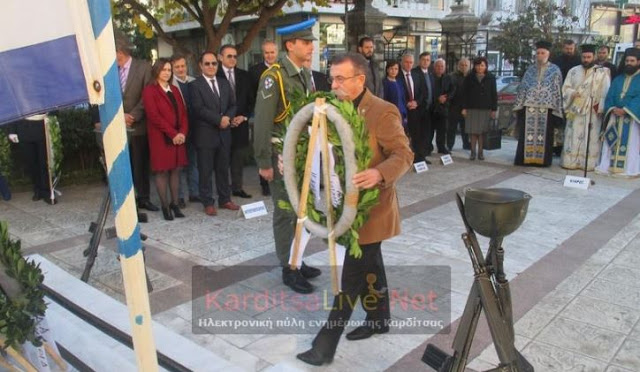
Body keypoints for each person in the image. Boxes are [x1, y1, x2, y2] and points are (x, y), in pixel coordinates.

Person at [296, 52, 413, 366]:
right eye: (331, 78)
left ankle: (323, 347)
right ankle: (379, 318)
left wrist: (380, 173)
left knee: (350, 278)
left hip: (371, 210)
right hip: (341, 204)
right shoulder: (332, 109)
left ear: (360, 79)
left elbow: (403, 154)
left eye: (339, 79)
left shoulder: (382, 111)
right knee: (371, 264)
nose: (332, 85)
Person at [253, 20, 321, 294]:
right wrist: (263, 162)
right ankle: (288, 267)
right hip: (280, 156)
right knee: (285, 213)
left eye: (311, 42)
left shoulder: (303, 74)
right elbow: (262, 122)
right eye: (306, 43)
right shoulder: (274, 77)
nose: (311, 47)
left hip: (301, 153)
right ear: (290, 45)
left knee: (301, 210)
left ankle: (298, 258)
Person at [189, 51, 240, 216]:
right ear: (201, 66)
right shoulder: (195, 85)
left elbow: (233, 105)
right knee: (205, 170)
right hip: (205, 135)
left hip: (224, 134)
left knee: (223, 169)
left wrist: (227, 118)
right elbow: (198, 109)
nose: (211, 66)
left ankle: (225, 199)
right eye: (207, 64)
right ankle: (208, 202)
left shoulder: (224, 83)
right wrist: (219, 120)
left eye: (214, 63)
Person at [142, 58, 189, 220]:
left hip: (178, 138)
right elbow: (154, 116)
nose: (167, 73)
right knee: (162, 171)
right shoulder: (150, 90)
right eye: (164, 70)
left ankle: (175, 204)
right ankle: (165, 206)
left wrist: (182, 132)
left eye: (169, 70)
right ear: (157, 71)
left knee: (176, 170)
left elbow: (183, 113)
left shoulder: (175, 90)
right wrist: (173, 133)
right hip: (161, 138)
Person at [115, 36, 157, 212]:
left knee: (140, 164)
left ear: (120, 52)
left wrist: (132, 115)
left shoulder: (144, 67)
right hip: (117, 127)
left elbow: (147, 95)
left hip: (138, 125)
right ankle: (127, 199)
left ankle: (144, 198)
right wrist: (118, 116)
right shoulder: (110, 71)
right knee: (124, 165)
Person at [560, 44, 611, 171]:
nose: (586, 60)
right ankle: (570, 161)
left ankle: (587, 163)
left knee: (591, 136)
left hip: (592, 110)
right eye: (584, 57)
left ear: (593, 57)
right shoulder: (573, 71)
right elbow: (565, 88)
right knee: (572, 134)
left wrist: (600, 108)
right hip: (575, 108)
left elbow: (605, 91)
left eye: (589, 57)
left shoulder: (602, 72)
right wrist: (572, 93)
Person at [513, 41, 563, 167]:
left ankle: (542, 161)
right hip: (529, 107)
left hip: (547, 109)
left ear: (548, 54)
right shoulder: (530, 69)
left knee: (544, 135)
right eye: (538, 53)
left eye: (543, 53)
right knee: (526, 135)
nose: (540, 55)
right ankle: (524, 159)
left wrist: (557, 108)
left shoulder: (555, 70)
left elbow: (557, 90)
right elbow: (523, 87)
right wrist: (519, 104)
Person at [217, 44, 255, 199]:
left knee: (238, 158)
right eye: (229, 56)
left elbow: (251, 100)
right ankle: (223, 190)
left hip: (241, 124)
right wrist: (225, 118)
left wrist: (244, 116)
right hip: (222, 124)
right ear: (220, 58)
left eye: (234, 56)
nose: (233, 59)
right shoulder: (215, 75)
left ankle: (237, 187)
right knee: (222, 159)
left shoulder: (245, 76)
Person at [596, 47, 640, 177]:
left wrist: (626, 110)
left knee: (631, 145)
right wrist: (613, 108)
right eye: (627, 60)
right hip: (614, 117)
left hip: (631, 119)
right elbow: (610, 95)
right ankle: (608, 166)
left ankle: (629, 169)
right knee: (611, 142)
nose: (629, 63)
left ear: (638, 62)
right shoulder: (618, 79)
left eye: (632, 61)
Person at [249, 39, 278, 197]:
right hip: (260, 114)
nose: (269, 55)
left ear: (277, 52)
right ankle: (264, 184)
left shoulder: (281, 70)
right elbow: (252, 93)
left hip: (278, 117)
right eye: (266, 52)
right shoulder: (255, 71)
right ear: (262, 54)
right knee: (262, 145)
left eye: (272, 52)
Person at [7, 114, 55, 204]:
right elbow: (14, 107)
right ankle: (37, 189)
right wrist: (11, 130)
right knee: (31, 163)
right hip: (23, 128)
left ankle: (47, 192)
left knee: (44, 163)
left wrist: (52, 117)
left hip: (42, 126)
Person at [171, 54, 199, 207]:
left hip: (194, 129)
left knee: (193, 162)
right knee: (179, 165)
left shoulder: (194, 82)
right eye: (177, 67)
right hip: (179, 130)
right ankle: (179, 196)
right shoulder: (171, 85)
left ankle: (194, 193)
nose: (181, 69)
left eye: (183, 66)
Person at [462, 56, 497, 161]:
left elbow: (493, 94)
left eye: (482, 65)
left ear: (486, 66)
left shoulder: (491, 78)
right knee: (473, 132)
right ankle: (473, 152)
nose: (479, 67)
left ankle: (480, 153)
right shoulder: (469, 77)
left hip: (485, 108)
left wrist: (494, 109)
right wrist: (464, 108)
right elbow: (464, 94)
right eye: (477, 65)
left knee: (482, 132)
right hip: (472, 108)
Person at [398, 53, 429, 164]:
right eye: (406, 62)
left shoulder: (416, 75)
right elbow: (397, 93)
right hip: (403, 110)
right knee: (403, 135)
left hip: (416, 110)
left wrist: (417, 102)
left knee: (417, 134)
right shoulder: (397, 75)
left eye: (411, 62)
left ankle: (419, 157)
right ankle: (404, 158)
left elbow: (423, 91)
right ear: (402, 62)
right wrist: (406, 103)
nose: (408, 64)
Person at [430, 58, 453, 155]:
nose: (440, 68)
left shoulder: (448, 78)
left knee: (442, 129)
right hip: (432, 107)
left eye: (442, 66)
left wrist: (446, 98)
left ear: (444, 68)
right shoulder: (430, 77)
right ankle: (428, 147)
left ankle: (441, 147)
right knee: (430, 130)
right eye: (438, 66)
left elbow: (452, 90)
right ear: (434, 67)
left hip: (443, 107)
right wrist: (437, 99)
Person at [448, 57, 471, 150]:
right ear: (458, 66)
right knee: (451, 127)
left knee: (465, 127)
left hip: (466, 106)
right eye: (462, 65)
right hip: (454, 106)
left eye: (466, 65)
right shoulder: (452, 76)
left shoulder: (471, 77)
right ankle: (449, 145)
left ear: (469, 66)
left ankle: (466, 144)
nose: (464, 67)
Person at [415, 52, 435, 156]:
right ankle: (418, 155)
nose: (425, 62)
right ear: (419, 60)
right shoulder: (415, 73)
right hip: (418, 108)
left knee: (427, 133)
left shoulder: (431, 74)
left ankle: (424, 153)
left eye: (428, 60)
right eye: (423, 59)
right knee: (418, 134)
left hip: (429, 109)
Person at [382, 60, 408, 131]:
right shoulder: (384, 83)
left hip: (402, 113)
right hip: (391, 114)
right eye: (391, 69)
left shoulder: (400, 82)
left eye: (396, 69)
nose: (393, 71)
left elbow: (403, 98)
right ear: (387, 70)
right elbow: (384, 99)